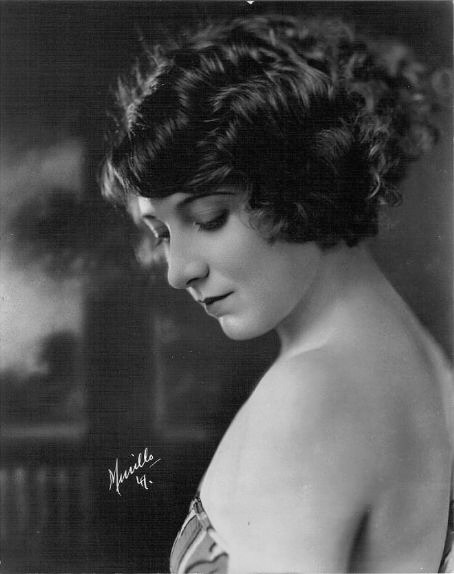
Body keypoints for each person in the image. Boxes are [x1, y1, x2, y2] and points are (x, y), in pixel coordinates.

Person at [101, 14, 453, 573]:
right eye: (162, 233)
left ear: (301, 179)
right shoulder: (423, 366)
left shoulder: (311, 397)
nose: (177, 271)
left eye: (209, 218)